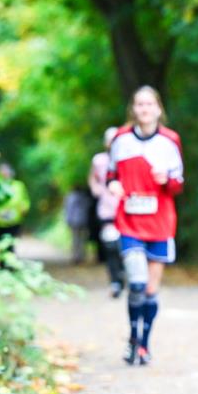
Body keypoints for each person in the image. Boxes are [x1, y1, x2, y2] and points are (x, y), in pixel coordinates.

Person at [107, 87, 184, 366]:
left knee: (150, 290)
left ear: (158, 109)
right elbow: (111, 173)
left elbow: (179, 184)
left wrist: (168, 180)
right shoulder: (120, 139)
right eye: (139, 104)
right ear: (133, 109)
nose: (145, 109)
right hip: (129, 223)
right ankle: (133, 337)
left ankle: (144, 344)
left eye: (150, 104)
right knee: (136, 283)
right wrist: (113, 184)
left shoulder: (170, 140)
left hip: (160, 224)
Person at [89, 127, 125, 297]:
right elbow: (92, 178)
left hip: (127, 209)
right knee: (110, 247)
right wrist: (96, 189)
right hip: (107, 209)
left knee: (126, 246)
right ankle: (115, 281)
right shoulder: (99, 160)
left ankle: (126, 275)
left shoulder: (127, 158)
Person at [0, 163, 31, 263]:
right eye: (2, 173)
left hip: (14, 220)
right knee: (0, 243)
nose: (4, 175)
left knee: (11, 243)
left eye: (6, 173)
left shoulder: (18, 185)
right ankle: (2, 264)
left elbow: (25, 200)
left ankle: (10, 263)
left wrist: (24, 209)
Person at [64, 184, 93, 264]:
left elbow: (68, 210)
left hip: (74, 221)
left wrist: (67, 220)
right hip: (83, 220)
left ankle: (76, 256)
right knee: (82, 240)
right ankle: (80, 256)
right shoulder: (84, 197)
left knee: (76, 239)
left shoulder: (70, 197)